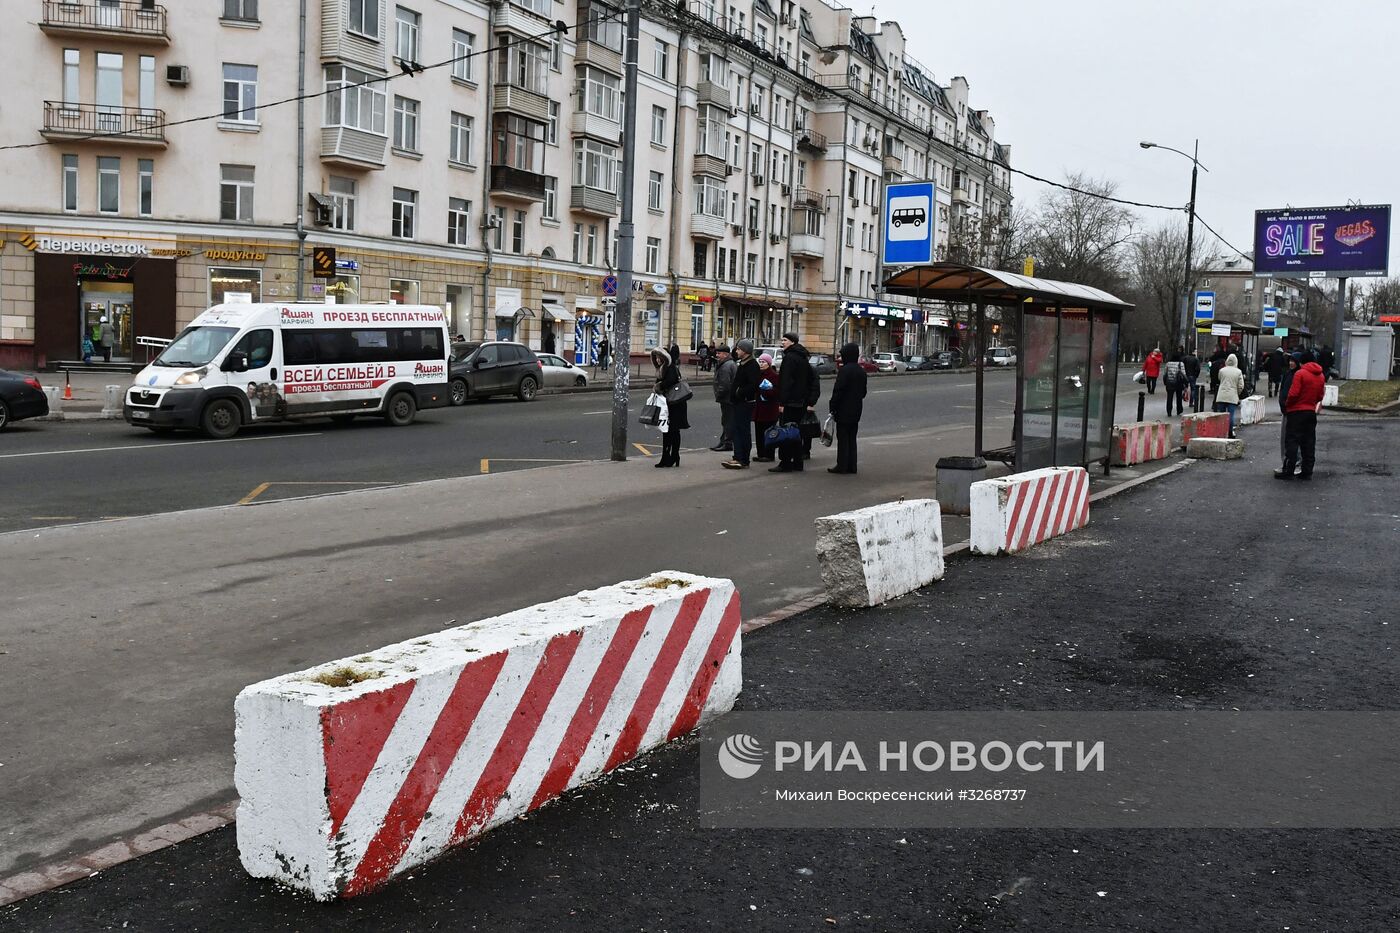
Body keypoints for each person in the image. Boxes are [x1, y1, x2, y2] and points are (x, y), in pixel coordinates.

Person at [770, 332, 819, 473]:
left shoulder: (789, 358)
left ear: (792, 342)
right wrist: (808, 400)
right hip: (800, 402)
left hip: (791, 402)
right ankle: (798, 462)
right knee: (796, 433)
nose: (782, 342)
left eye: (784, 340)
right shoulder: (803, 357)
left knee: (786, 433)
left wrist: (781, 403)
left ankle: (785, 463)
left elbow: (786, 382)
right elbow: (810, 381)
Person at [1277, 355, 1325, 481]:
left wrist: (1288, 404)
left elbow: (1293, 394)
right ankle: (1307, 471)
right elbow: (1320, 395)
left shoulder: (1300, 374)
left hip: (1296, 412)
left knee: (1292, 441)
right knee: (1309, 442)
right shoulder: (1320, 375)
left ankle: (1289, 470)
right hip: (1310, 412)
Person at [827, 343, 867, 474]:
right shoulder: (861, 371)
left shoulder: (844, 371)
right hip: (856, 409)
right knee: (852, 438)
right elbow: (863, 392)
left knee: (843, 439)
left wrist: (832, 407)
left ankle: (842, 465)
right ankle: (852, 465)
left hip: (843, 409)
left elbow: (838, 391)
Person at [722, 339, 759, 469]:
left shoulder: (752, 365)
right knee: (736, 430)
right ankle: (738, 456)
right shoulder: (743, 363)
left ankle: (743, 459)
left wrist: (738, 392)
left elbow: (753, 385)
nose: (736, 351)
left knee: (742, 431)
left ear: (745, 351)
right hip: (738, 402)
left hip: (745, 402)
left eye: (738, 349)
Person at [650, 348, 688, 467]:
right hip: (669, 403)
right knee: (667, 431)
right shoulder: (662, 369)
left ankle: (673, 456)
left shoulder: (670, 368)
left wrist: (658, 387)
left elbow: (671, 381)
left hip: (676, 403)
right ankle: (667, 457)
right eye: (655, 358)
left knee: (673, 431)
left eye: (659, 357)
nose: (657, 360)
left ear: (665, 358)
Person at [752, 352, 781, 462]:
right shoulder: (758, 374)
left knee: (769, 433)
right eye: (760, 361)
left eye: (763, 362)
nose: (761, 364)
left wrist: (765, 390)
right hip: (759, 409)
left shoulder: (774, 376)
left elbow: (777, 392)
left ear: (769, 363)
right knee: (759, 432)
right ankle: (761, 454)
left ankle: (769, 455)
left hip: (769, 409)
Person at [709, 344, 735, 452]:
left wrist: (719, 395)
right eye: (717, 353)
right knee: (726, 420)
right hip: (728, 398)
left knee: (727, 421)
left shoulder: (726, 366)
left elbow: (724, 385)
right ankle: (723, 441)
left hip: (727, 399)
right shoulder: (726, 364)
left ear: (726, 354)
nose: (717, 355)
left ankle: (727, 442)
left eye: (719, 353)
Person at [1214, 353, 1246, 438]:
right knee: (1230, 415)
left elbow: (1219, 379)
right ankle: (1230, 432)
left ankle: (1221, 432)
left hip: (1221, 395)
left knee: (1221, 415)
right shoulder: (1238, 372)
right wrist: (1237, 393)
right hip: (1232, 396)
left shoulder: (1222, 370)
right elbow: (1241, 386)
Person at [1163, 349, 1187, 416]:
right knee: (1179, 397)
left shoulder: (1168, 364)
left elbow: (1165, 373)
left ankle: (1169, 411)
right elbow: (1183, 374)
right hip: (1178, 383)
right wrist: (1186, 383)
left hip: (1169, 383)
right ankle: (1179, 410)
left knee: (1169, 398)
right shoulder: (1181, 364)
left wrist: (1165, 382)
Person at [1182, 344, 1202, 411]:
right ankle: (1191, 402)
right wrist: (1196, 375)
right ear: (1193, 352)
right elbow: (1198, 369)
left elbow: (1182, 366)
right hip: (1193, 375)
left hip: (1186, 375)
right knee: (1193, 389)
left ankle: (1184, 397)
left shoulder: (1185, 358)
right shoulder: (1196, 359)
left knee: (1186, 387)